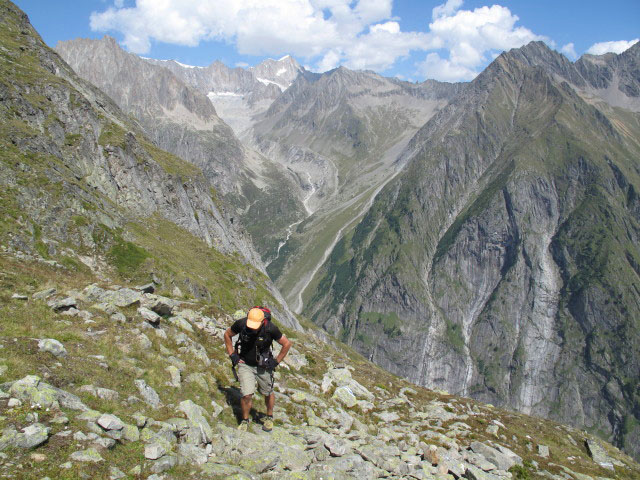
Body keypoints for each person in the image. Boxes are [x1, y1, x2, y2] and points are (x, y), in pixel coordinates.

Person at [224, 306, 292, 432]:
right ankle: (245, 420)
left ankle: (269, 416)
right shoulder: (242, 324)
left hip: (263, 366)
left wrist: (276, 361)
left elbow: (287, 344)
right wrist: (232, 354)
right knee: (246, 394)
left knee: (267, 392)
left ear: (262, 322)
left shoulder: (271, 328)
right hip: (245, 364)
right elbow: (227, 334)